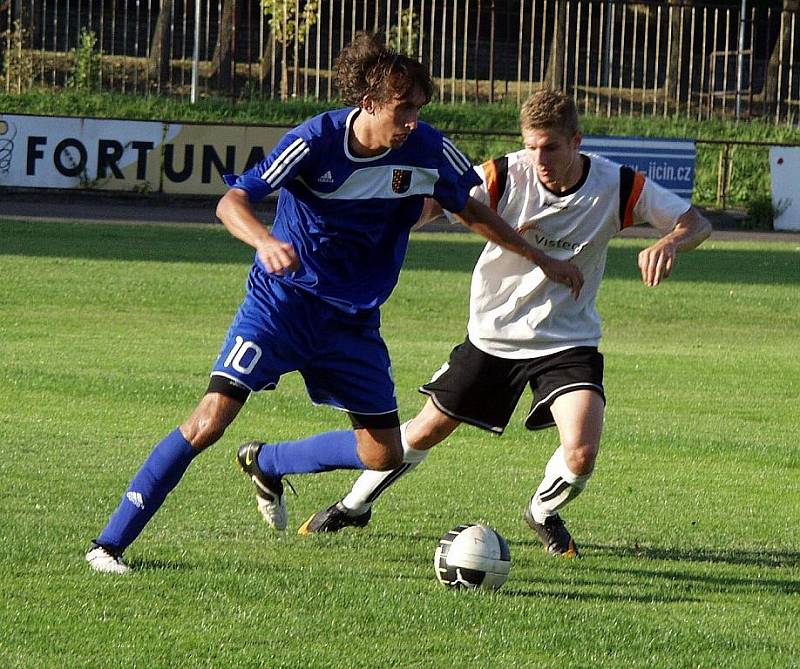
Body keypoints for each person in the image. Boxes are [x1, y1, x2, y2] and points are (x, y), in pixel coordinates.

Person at [85, 36, 583, 573]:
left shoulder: (430, 148)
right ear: (368, 102)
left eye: (418, 107)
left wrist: (537, 256)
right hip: (282, 306)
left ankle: (268, 461)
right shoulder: (316, 141)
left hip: (353, 323)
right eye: (403, 107)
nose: (414, 119)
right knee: (209, 420)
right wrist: (265, 241)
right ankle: (108, 545)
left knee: (384, 455)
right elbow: (233, 201)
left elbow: (469, 209)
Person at [299, 89, 712, 557]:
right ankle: (354, 506)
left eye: (550, 147)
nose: (538, 157)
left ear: (576, 141)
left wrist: (672, 243)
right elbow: (439, 204)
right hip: (493, 335)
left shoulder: (617, 185)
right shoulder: (503, 173)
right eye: (531, 145)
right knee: (422, 432)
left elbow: (696, 222)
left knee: (581, 453)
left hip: (568, 339)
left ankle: (542, 512)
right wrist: (388, 219)